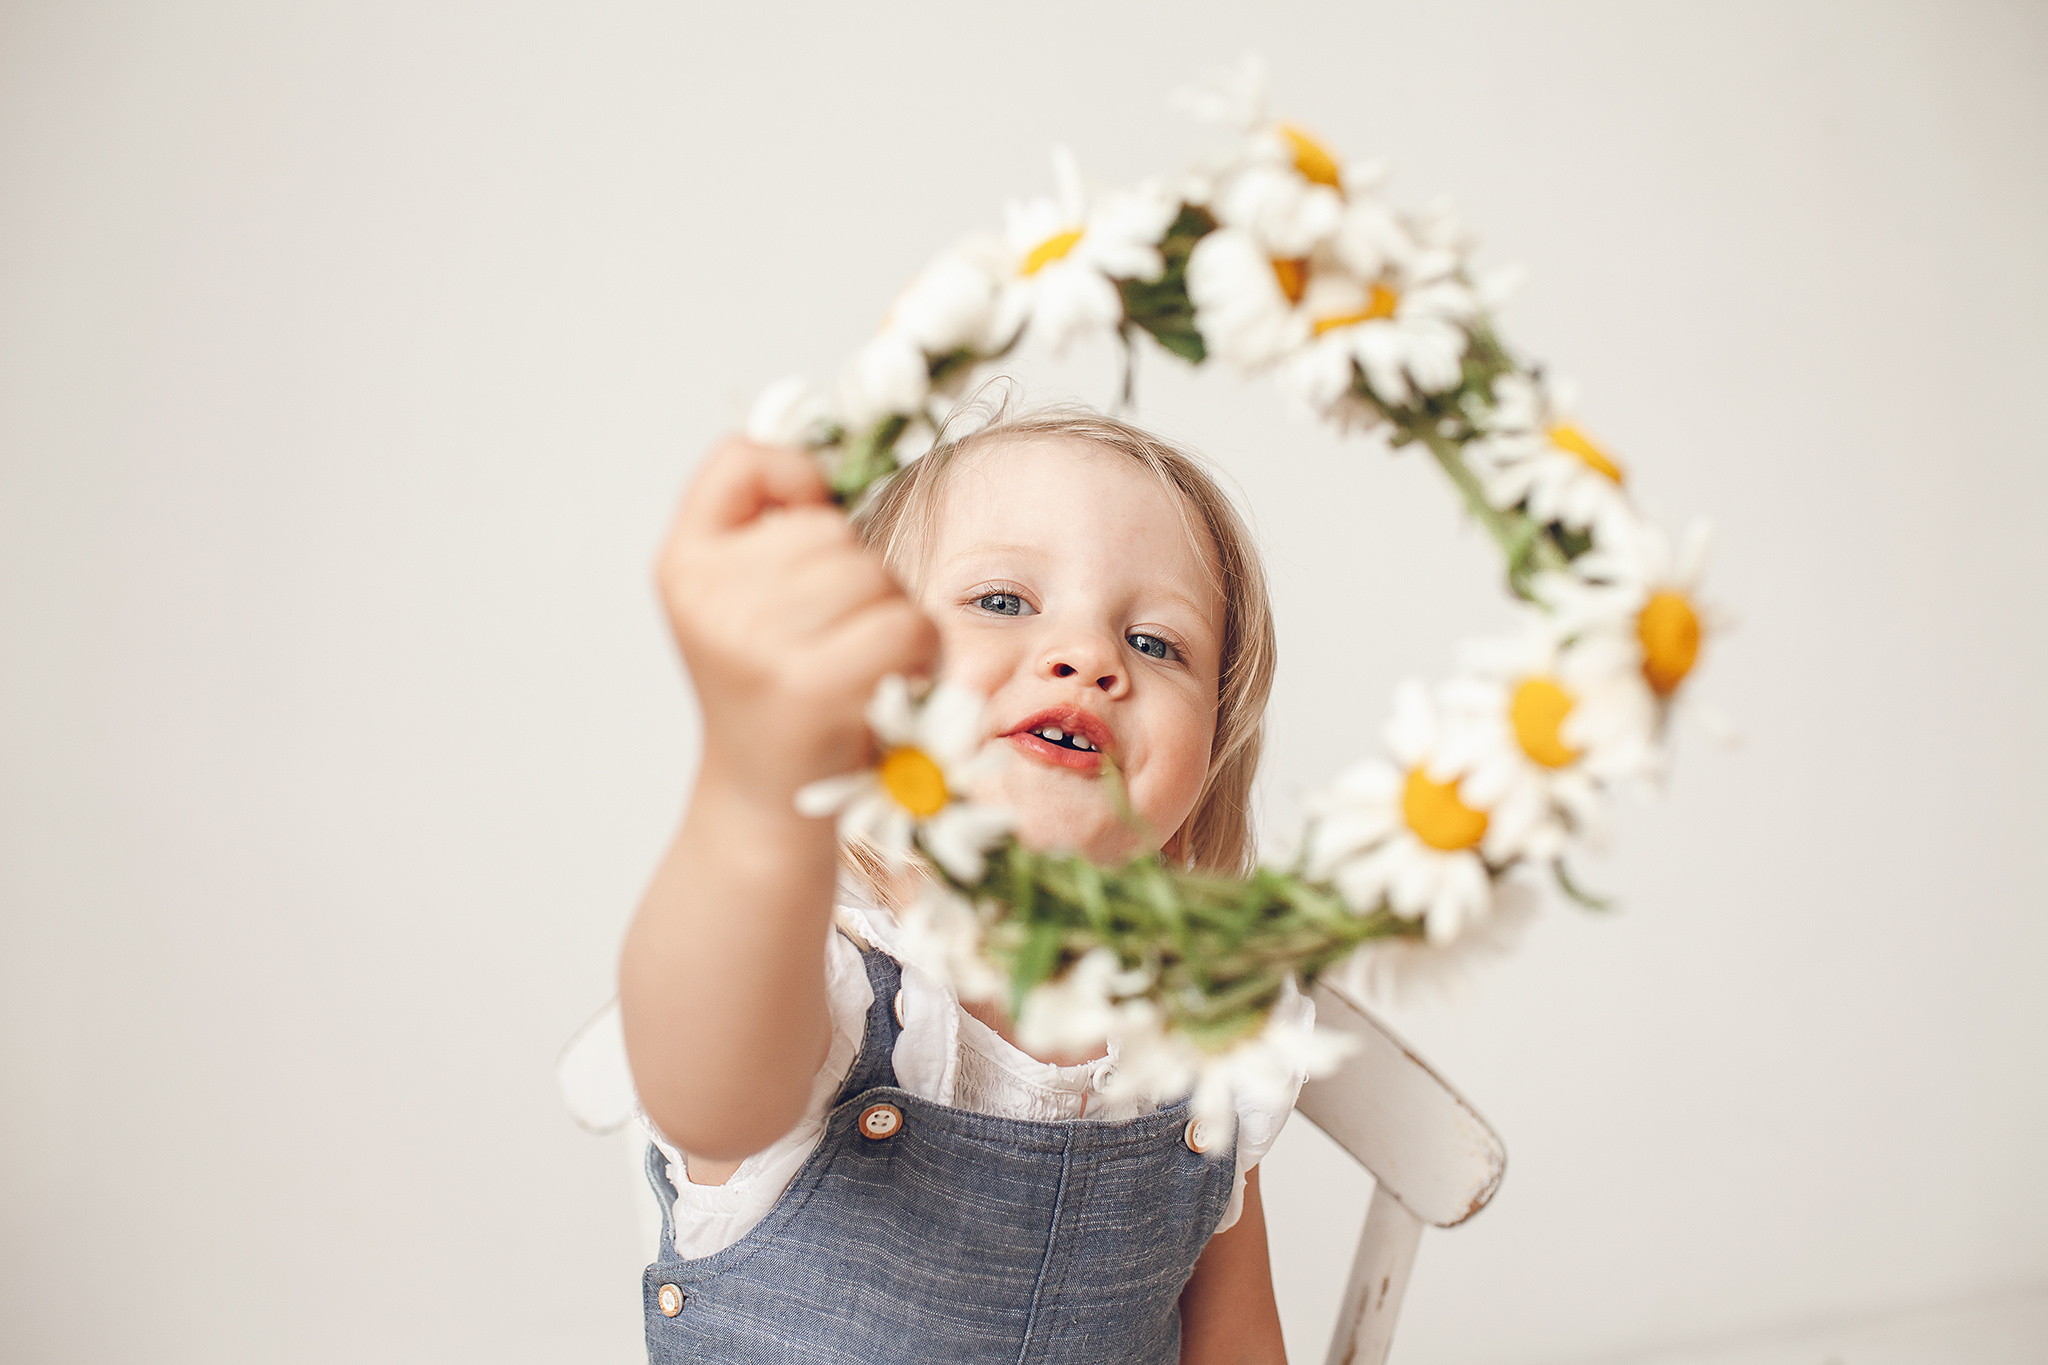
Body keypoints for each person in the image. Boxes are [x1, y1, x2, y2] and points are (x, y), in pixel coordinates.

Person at [619, 405, 1299, 1364]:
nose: (1088, 656)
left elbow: (1236, 1340)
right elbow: (706, 1097)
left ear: (1212, 754)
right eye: (1003, 602)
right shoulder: (821, 973)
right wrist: (757, 789)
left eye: (1156, 643)